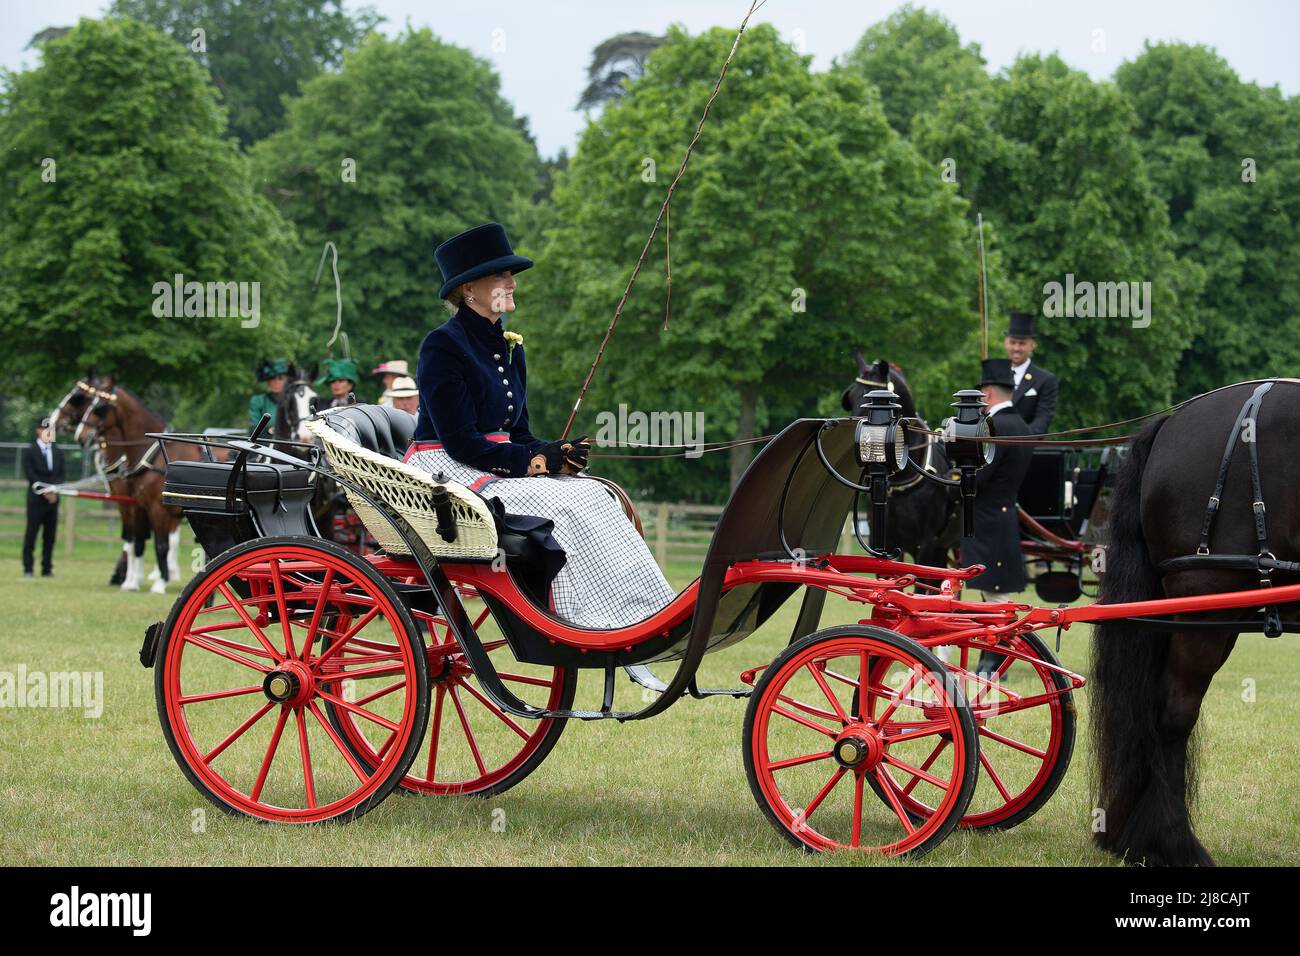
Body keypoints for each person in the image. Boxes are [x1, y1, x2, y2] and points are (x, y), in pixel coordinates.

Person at [407, 222, 676, 628]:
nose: (512, 283)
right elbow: (461, 442)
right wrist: (535, 461)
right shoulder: (443, 345)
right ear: (468, 290)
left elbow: (520, 435)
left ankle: (651, 613)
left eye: (511, 274)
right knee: (565, 507)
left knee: (595, 495)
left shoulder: (510, 346)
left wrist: (556, 451)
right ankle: (587, 620)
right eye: (501, 275)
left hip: (491, 463)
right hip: (447, 468)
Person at [958, 359, 1033, 674]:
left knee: (995, 596)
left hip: (987, 519)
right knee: (995, 593)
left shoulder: (995, 427)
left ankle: (995, 656)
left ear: (987, 394)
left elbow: (979, 477)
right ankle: (992, 656)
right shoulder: (1022, 426)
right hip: (1002, 517)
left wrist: (953, 478)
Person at [21, 418, 64, 579]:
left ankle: (47, 568)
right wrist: (45, 491)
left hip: (53, 500)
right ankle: (28, 568)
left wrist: (55, 492)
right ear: (38, 430)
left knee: (50, 536)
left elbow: (60, 475)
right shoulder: (30, 451)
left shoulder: (58, 452)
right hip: (36, 499)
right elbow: (31, 475)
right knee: (31, 534)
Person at [1003, 311, 1058, 434]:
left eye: (1022, 343)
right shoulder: (995, 375)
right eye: (1013, 342)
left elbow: (1043, 419)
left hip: (1026, 446)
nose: (1016, 348)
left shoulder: (1045, 379)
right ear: (1005, 342)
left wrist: (1019, 440)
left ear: (1032, 345)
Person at [249, 358, 290, 432]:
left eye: (280, 378)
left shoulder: (294, 400)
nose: (276, 381)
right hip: (264, 442)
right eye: (272, 378)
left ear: (286, 380)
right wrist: (270, 430)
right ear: (268, 381)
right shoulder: (258, 401)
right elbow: (253, 428)